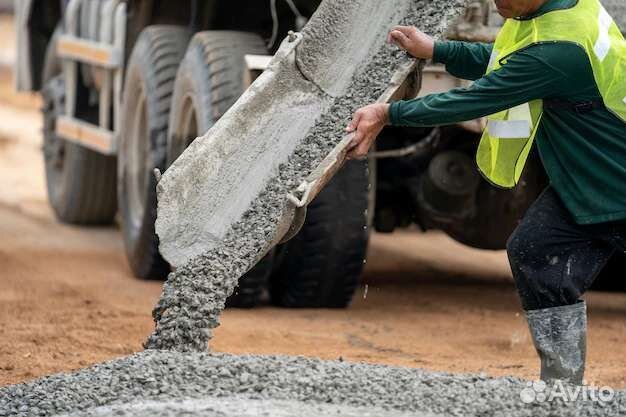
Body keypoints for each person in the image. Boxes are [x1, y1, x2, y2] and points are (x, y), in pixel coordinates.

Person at [346, 0, 626, 385]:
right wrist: (437, 50)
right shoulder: (563, 14)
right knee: (535, 250)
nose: (497, 2)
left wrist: (389, 114)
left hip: (615, 185)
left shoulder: (560, 51)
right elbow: (507, 57)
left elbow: (478, 97)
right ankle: (561, 389)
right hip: (588, 184)